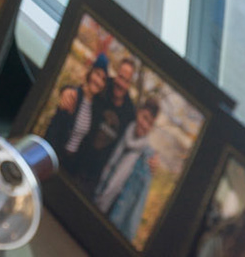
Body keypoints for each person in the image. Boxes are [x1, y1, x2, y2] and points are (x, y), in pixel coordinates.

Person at [94, 97, 161, 241]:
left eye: (150, 123)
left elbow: (137, 206)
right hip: (96, 197)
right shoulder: (119, 131)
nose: (145, 125)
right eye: (144, 118)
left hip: (114, 218)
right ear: (138, 112)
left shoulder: (148, 159)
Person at [82, 55, 142, 193]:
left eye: (126, 81)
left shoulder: (130, 113)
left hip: (95, 178)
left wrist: (151, 158)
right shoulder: (103, 85)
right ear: (116, 74)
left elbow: (137, 140)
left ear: (130, 84)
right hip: (76, 158)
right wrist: (67, 90)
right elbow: (83, 90)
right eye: (120, 77)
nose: (121, 83)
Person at [44, 57, 109, 179]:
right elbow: (54, 130)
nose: (98, 81)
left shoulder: (96, 109)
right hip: (55, 156)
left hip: (71, 164)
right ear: (90, 72)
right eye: (97, 74)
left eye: (103, 79)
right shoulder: (73, 95)